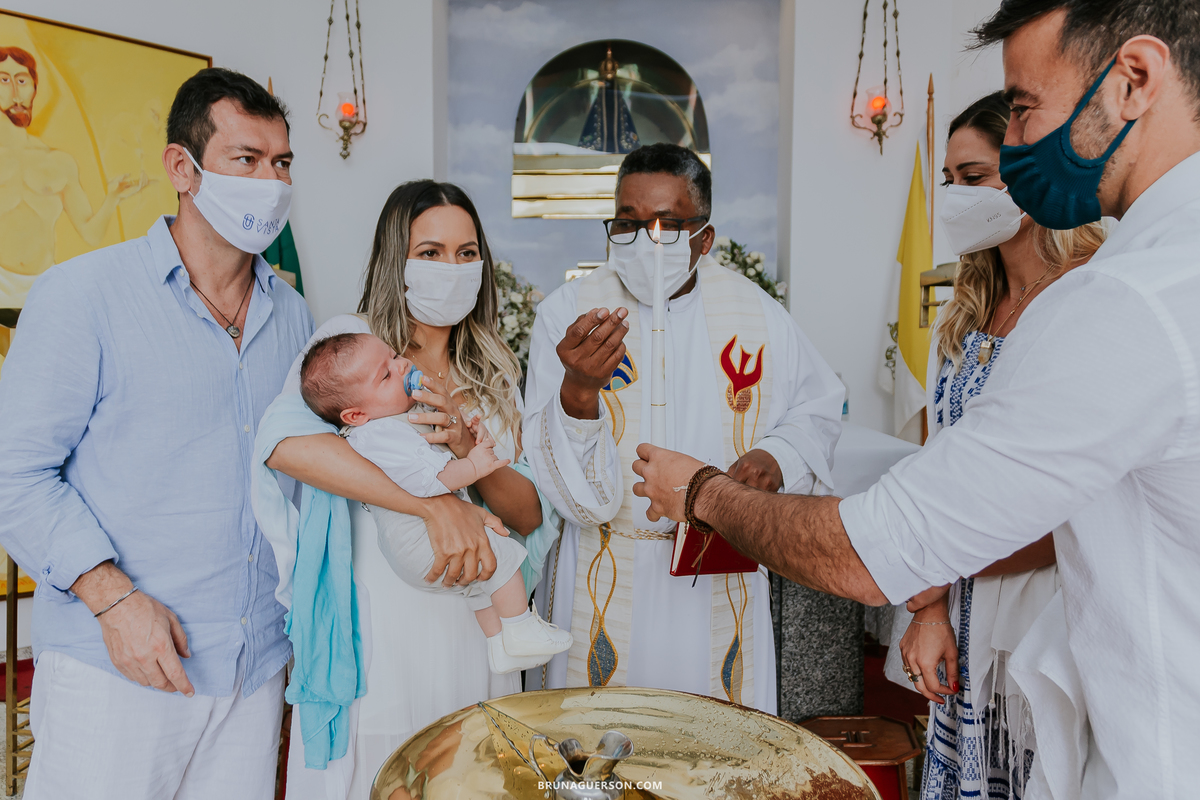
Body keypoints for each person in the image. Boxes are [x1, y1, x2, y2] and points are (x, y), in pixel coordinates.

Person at [633, 2, 1200, 796]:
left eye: (1027, 105)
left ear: (1135, 79)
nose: (1021, 140)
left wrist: (701, 491)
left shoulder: (1126, 298)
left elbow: (877, 546)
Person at [0, 68, 311, 798]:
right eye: (246, 159)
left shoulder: (293, 317)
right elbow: (14, 472)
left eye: (282, 163)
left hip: (251, 667)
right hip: (120, 665)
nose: (270, 182)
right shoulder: (82, 296)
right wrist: (113, 600)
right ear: (184, 168)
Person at [258, 179, 559, 800]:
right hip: (385, 615)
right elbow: (287, 445)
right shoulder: (352, 346)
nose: (451, 268)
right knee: (391, 768)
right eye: (430, 252)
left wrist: (462, 448)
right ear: (395, 259)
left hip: (479, 620)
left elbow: (526, 511)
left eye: (466, 252)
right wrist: (434, 504)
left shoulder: (494, 367)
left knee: (471, 770)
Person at [524, 142, 844, 711]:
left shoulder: (756, 315)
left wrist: (776, 458)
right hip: (605, 559)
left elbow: (816, 409)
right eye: (627, 223)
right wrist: (577, 391)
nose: (647, 240)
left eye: (668, 225)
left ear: (705, 237)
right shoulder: (567, 313)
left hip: (716, 566)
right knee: (599, 761)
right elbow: (545, 461)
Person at [889, 91, 1105, 800]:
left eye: (974, 176)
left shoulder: (1087, 299)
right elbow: (937, 467)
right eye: (949, 180)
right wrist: (928, 607)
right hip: (962, 603)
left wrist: (935, 574)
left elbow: (1082, 500)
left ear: (1030, 171)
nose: (957, 197)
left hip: (1050, 613)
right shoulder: (970, 308)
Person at [297, 331, 571, 674]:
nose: (401, 367)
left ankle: (499, 645)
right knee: (501, 557)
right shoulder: (382, 434)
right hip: (419, 541)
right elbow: (433, 479)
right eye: (385, 375)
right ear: (355, 415)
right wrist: (474, 465)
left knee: (478, 583)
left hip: (415, 546)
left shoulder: (390, 419)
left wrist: (471, 439)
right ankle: (521, 628)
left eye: (395, 356)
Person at [0, 46, 148, 310]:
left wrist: (112, 198)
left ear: (34, 88)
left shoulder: (58, 162)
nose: (15, 92)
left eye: (22, 80)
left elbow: (90, 234)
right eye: (4, 80)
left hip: (44, 288)